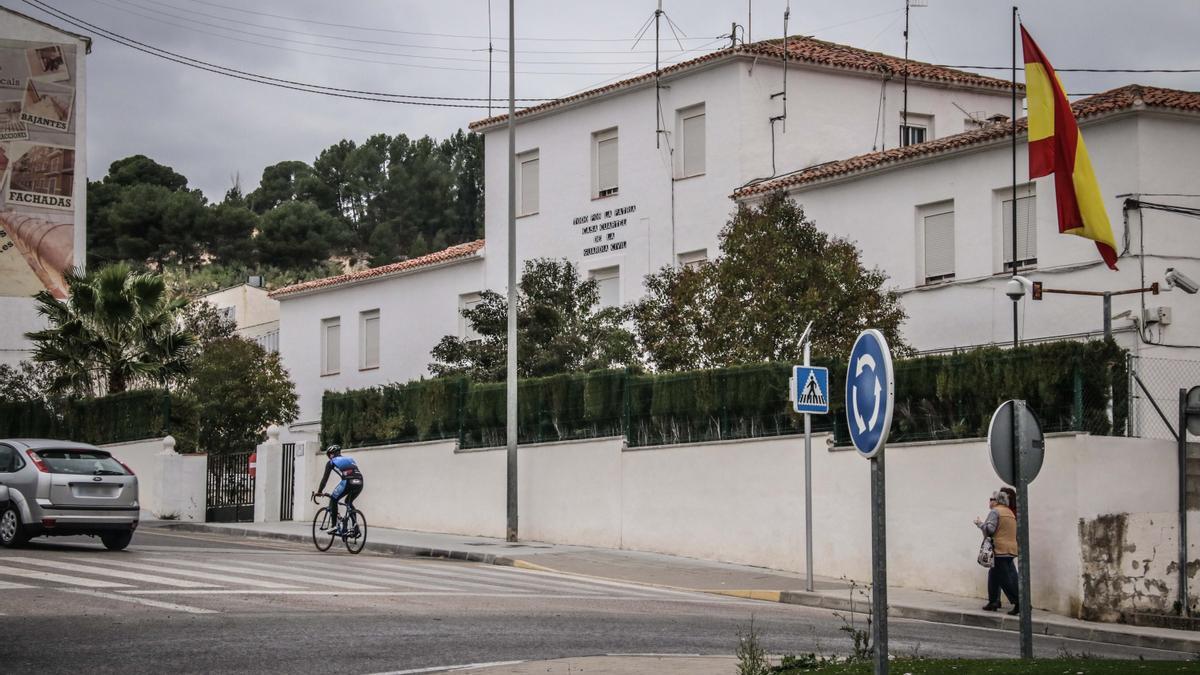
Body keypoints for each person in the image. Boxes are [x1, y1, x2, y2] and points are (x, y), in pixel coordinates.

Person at [974, 489, 1019, 615]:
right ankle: (993, 602)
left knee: (1004, 579)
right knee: (993, 575)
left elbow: (990, 529)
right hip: (1010, 549)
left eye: (991, 499)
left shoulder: (995, 512)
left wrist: (980, 524)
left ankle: (1019, 603)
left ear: (996, 501)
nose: (989, 501)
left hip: (999, 550)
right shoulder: (1009, 512)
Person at [316, 445, 364, 534]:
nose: (329, 457)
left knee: (334, 499)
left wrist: (319, 491)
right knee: (348, 502)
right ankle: (355, 526)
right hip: (360, 481)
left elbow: (324, 479)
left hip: (348, 481)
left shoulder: (331, 462)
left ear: (332, 454)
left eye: (329, 454)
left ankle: (334, 526)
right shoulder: (350, 459)